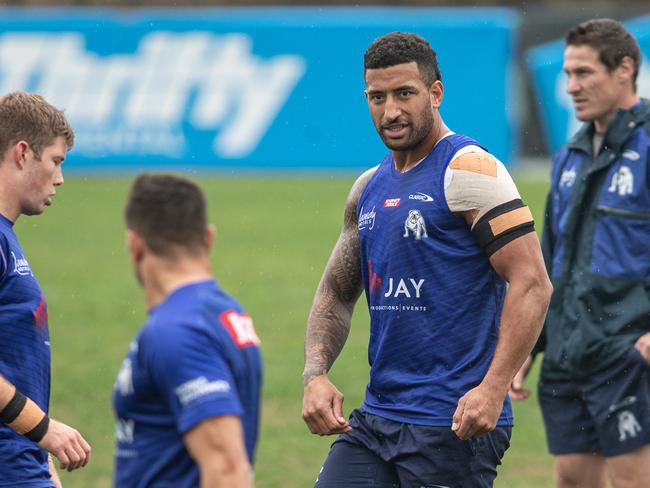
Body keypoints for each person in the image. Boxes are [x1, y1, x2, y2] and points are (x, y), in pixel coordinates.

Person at [301, 32, 553, 487]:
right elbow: (336, 292)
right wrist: (315, 374)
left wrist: (493, 389)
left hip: (453, 422)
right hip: (377, 420)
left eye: (404, 94)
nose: (390, 111)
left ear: (435, 93)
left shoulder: (471, 170)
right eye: (377, 97)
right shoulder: (367, 189)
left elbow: (533, 282)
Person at [511, 18, 650, 488]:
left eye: (584, 73)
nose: (571, 86)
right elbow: (551, 257)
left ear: (624, 69)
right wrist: (533, 345)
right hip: (570, 352)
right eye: (568, 74)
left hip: (626, 351)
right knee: (571, 479)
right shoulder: (569, 155)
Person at [113, 174, 263, 488]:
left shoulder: (177, 330)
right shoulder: (223, 311)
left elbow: (227, 471)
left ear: (135, 244)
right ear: (208, 238)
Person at [0, 92, 91, 487]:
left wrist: (37, 455)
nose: (60, 178)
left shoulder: (7, 237)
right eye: (55, 161)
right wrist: (44, 430)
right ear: (23, 153)